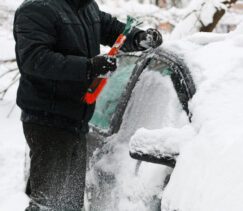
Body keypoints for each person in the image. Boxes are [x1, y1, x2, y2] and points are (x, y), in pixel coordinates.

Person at [13, 0, 163, 210]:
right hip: (48, 121)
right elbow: (34, 59)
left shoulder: (86, 7)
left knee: (67, 204)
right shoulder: (37, 8)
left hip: (76, 120)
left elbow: (112, 29)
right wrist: (89, 67)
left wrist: (138, 38)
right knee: (51, 204)